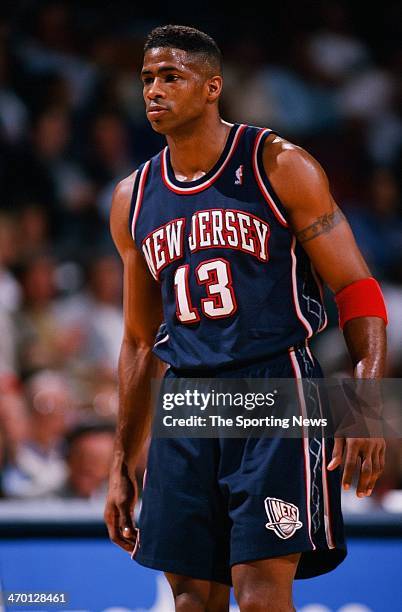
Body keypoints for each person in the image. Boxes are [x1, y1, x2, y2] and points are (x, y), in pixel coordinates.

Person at [104, 25, 387, 612]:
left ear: (212, 87)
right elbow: (137, 340)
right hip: (185, 401)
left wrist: (366, 408)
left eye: (171, 78)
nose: (154, 91)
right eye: (147, 80)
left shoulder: (278, 164)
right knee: (191, 602)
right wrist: (122, 459)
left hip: (273, 387)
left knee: (260, 595)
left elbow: (358, 289)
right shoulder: (132, 197)